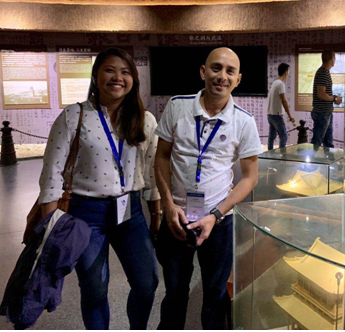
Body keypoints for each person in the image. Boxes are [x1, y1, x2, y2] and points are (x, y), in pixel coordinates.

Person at [38, 48, 160, 330]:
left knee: (147, 283)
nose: (118, 77)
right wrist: (49, 225)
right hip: (85, 214)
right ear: (96, 76)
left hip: (130, 212)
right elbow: (51, 172)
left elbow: (152, 171)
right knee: (94, 289)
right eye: (110, 70)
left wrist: (156, 214)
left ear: (133, 80)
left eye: (125, 72)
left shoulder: (145, 119)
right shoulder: (75, 115)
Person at [154, 47, 262, 330]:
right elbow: (161, 157)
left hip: (219, 221)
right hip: (176, 216)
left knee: (215, 295)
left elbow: (250, 178)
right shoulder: (177, 107)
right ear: (203, 71)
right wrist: (168, 205)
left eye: (230, 71)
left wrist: (216, 215)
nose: (222, 76)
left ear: (238, 79)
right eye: (216, 68)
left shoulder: (244, 121)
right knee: (174, 292)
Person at [311, 49, 342, 148]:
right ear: (332, 59)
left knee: (328, 143)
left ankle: (328, 158)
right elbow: (321, 94)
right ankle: (312, 158)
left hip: (325, 113)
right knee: (317, 142)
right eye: (334, 58)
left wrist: (334, 98)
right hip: (322, 113)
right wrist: (334, 99)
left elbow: (323, 93)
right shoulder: (323, 73)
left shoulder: (324, 72)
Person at [267, 62, 295, 150]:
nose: (288, 75)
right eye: (288, 72)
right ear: (285, 72)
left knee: (271, 136)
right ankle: (282, 155)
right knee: (284, 136)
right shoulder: (281, 84)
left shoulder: (275, 83)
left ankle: (269, 154)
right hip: (277, 115)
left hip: (270, 114)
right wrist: (290, 116)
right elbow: (284, 101)